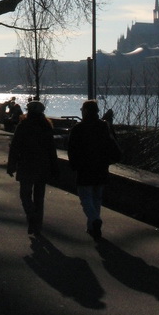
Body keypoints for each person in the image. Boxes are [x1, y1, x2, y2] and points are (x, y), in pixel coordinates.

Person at [67, 100, 122, 241]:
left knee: (85, 197)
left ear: (85, 111)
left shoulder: (78, 128)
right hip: (101, 167)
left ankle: (94, 219)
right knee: (97, 197)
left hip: (85, 168)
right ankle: (92, 227)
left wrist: (74, 165)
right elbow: (112, 143)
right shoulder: (104, 126)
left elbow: (72, 150)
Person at [7, 100, 59, 236]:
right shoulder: (46, 126)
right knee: (39, 197)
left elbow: (15, 147)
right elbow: (52, 150)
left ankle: (31, 216)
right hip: (43, 166)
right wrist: (55, 167)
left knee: (25, 194)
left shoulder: (23, 125)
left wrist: (11, 165)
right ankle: (37, 225)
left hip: (26, 165)